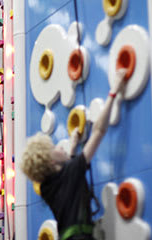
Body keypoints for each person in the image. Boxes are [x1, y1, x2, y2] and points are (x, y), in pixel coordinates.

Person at [21, 69, 127, 240]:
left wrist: (73, 145)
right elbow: (99, 130)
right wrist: (114, 90)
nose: (59, 148)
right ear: (50, 161)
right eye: (54, 148)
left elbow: (67, 174)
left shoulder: (47, 189)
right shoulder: (69, 172)